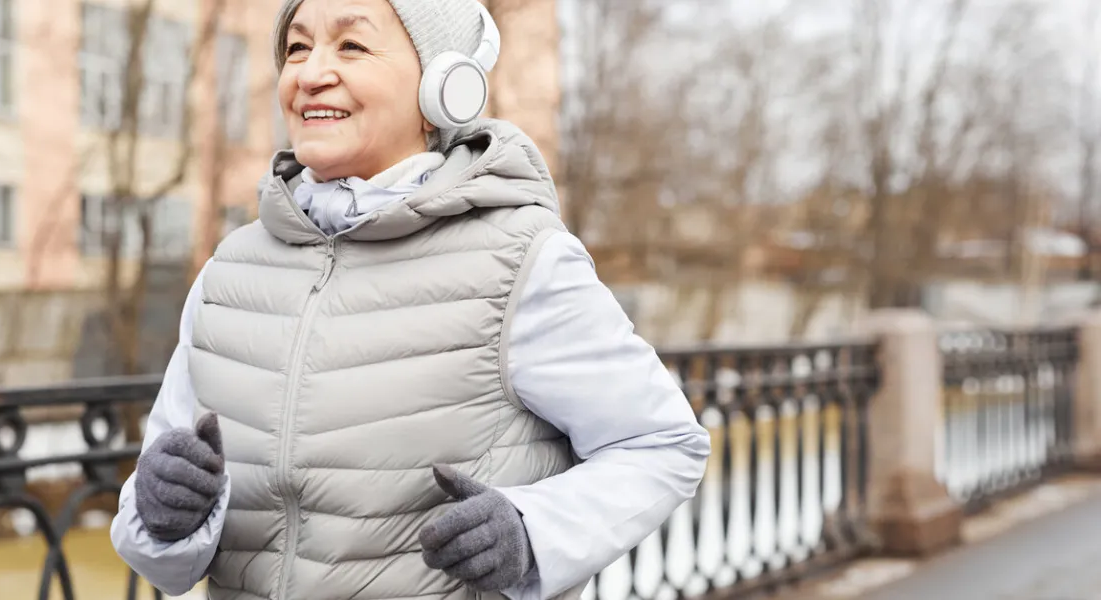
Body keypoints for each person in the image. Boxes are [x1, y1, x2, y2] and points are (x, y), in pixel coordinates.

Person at [109, 0, 711, 599]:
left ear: (442, 85)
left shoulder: (521, 261)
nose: (310, 72)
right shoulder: (230, 271)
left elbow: (661, 444)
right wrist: (162, 517)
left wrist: (531, 533)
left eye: (351, 45)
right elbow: (162, 550)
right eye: (296, 47)